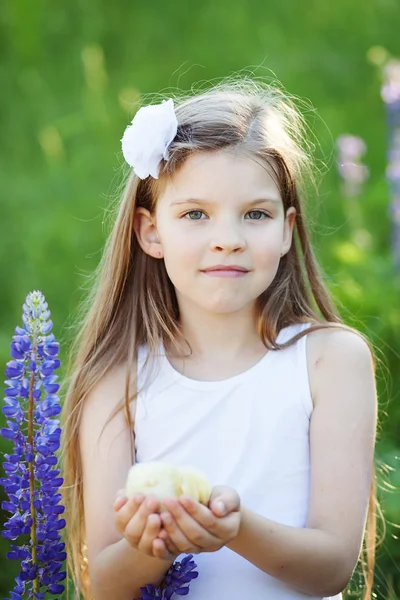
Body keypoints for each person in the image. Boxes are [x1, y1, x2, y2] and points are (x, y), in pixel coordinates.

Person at [60, 77, 379, 600]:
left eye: (255, 213)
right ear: (150, 232)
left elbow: (333, 566)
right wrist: (157, 540)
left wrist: (235, 529)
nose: (228, 239)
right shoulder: (116, 378)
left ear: (286, 229)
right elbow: (103, 585)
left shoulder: (329, 361)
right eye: (194, 215)